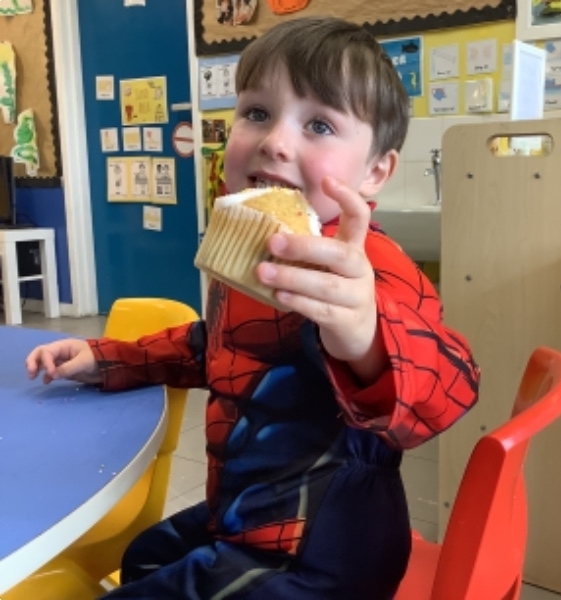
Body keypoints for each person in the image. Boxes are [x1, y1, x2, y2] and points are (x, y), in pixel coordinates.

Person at [25, 16, 480, 600]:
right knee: (144, 556)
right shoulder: (253, 247)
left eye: (319, 124)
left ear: (374, 172)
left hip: (325, 555)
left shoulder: (364, 266)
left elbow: (450, 385)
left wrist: (366, 335)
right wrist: (103, 358)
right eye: (257, 113)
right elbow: (211, 345)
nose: (275, 142)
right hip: (246, 516)